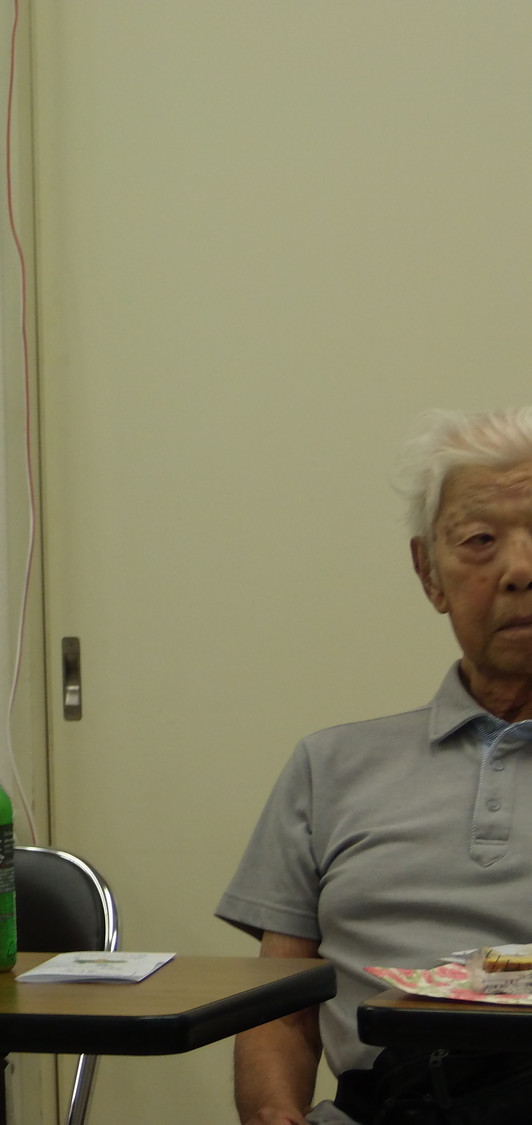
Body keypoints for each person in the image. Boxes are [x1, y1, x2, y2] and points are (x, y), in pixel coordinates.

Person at [218, 407, 532, 1125]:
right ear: (430, 574)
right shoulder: (329, 767)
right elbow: (280, 1008)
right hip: (388, 1101)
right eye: (480, 541)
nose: (521, 571)